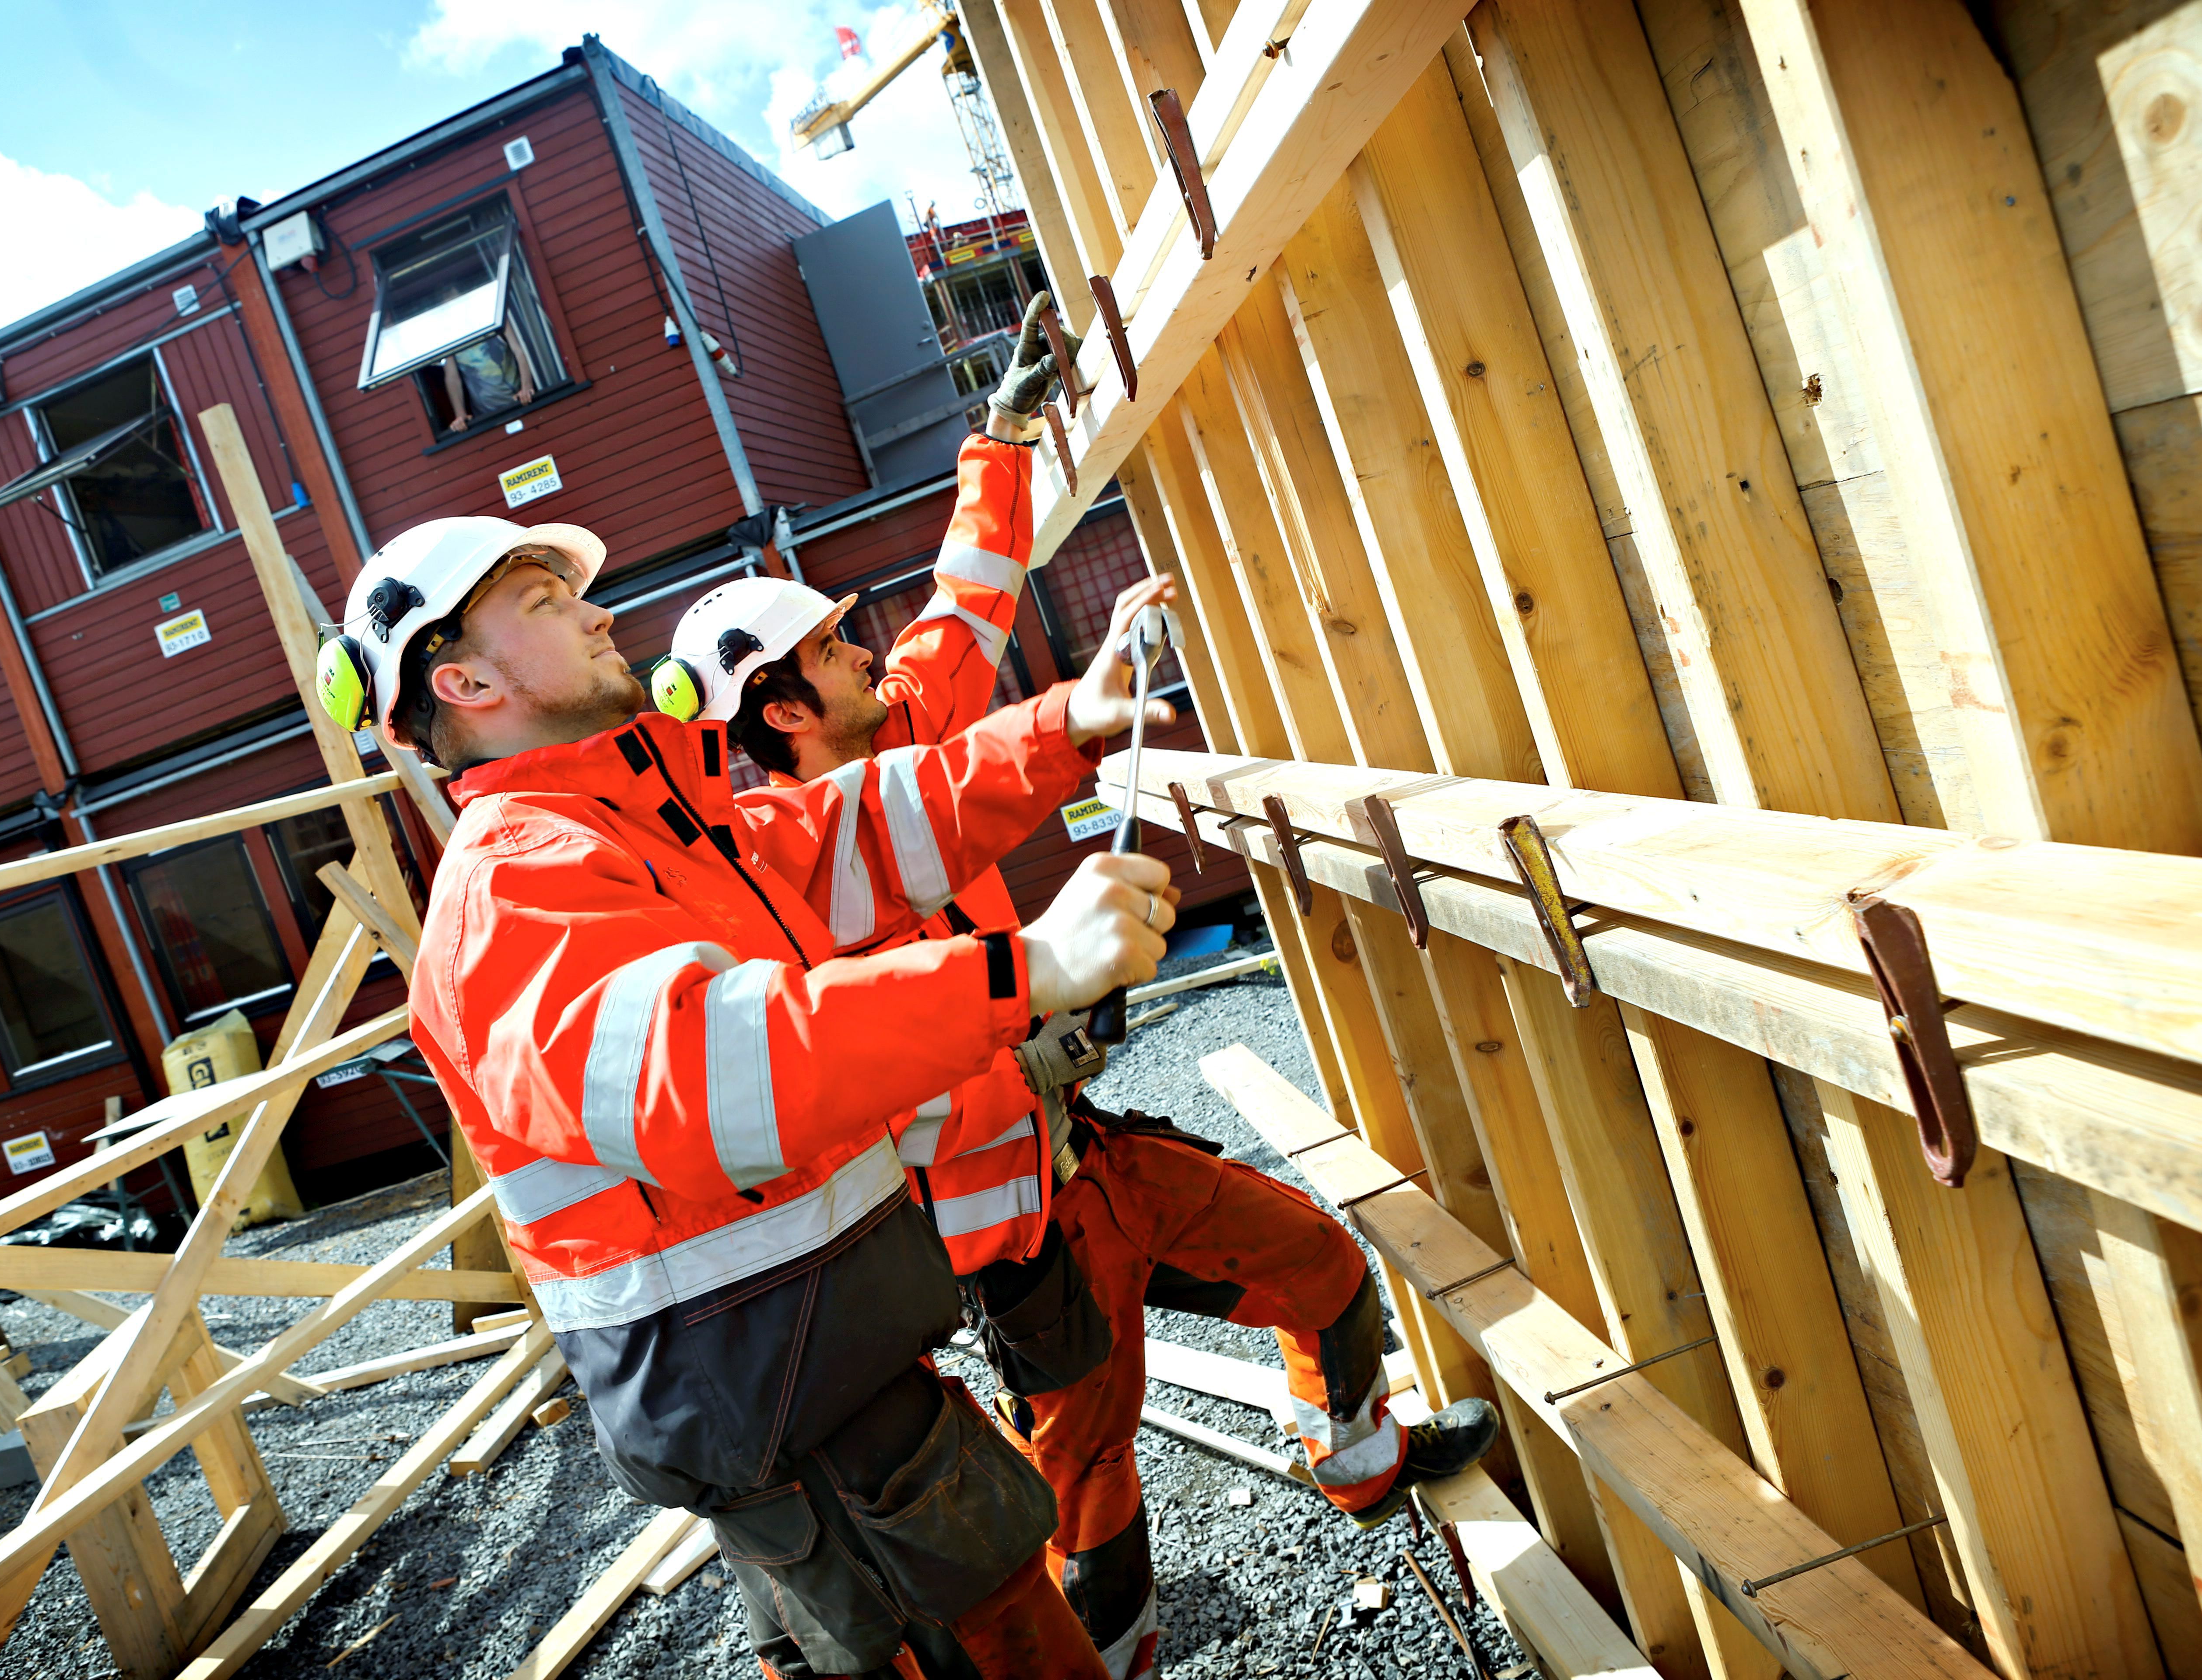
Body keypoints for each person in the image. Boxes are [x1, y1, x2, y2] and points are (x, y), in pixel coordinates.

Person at [657, 299, 1501, 1680]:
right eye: (831, 647)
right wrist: (1026, 1057)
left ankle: (1360, 1460)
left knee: (1322, 1265)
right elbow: (863, 1097)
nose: (868, 647)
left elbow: (968, 598)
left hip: (1086, 1164)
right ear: (787, 712)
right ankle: (1113, 1659)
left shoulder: (908, 738)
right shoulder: (782, 902)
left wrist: (1001, 433)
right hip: (1010, 1245)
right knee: (1087, 1498)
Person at [324, 413, 1180, 1680]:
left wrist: (1065, 725)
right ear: (465, 686)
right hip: (774, 1398)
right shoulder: (518, 887)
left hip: (806, 1372)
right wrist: (1024, 970)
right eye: (545, 602)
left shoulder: (646, 828)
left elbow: (863, 830)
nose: (597, 613)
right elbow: (718, 1078)